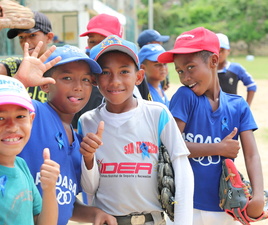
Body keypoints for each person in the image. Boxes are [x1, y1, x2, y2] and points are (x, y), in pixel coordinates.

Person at [78, 35, 194, 225]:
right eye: (106, 72)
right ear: (94, 79)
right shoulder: (88, 121)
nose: (115, 81)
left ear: (139, 76)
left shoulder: (158, 114)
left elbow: (182, 170)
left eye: (124, 71)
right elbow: (89, 189)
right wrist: (89, 158)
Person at [158, 27, 265, 225]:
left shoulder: (238, 106)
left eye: (190, 67)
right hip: (186, 206)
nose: (185, 77)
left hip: (223, 206)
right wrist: (217, 148)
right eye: (180, 71)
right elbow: (170, 146)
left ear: (214, 61)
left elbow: (252, 155)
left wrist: (258, 195)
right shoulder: (185, 97)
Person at [14, 42, 117, 225]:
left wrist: (94, 214)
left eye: (86, 80)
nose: (78, 86)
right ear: (45, 85)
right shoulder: (33, 114)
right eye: (67, 78)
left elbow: (65, 202)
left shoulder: (78, 142)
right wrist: (19, 83)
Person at [0, 75, 60, 224]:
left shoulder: (21, 165)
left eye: (20, 116)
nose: (12, 126)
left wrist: (49, 189)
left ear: (31, 120)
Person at [73, 14, 151, 129]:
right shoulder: (80, 76)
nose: (96, 47)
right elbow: (72, 126)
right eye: (92, 41)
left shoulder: (134, 75)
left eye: (104, 41)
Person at [0, 4, 54, 102]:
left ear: (48, 37)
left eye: (32, 35)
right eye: (21, 37)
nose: (26, 42)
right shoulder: (17, 65)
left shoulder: (61, 65)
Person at [216, 33, 257, 106]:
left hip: (231, 110)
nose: (219, 54)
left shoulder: (235, 68)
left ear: (228, 51)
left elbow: (252, 85)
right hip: (211, 112)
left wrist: (246, 107)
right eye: (216, 50)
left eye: (222, 50)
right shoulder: (207, 69)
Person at [138, 43, 170, 108]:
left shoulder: (160, 86)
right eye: (157, 64)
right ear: (143, 68)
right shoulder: (144, 93)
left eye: (165, 63)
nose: (163, 67)